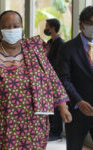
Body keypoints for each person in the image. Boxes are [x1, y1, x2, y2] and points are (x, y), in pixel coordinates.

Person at [0, 10, 72, 150]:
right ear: (0, 31)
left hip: (34, 126)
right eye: (7, 26)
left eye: (16, 26)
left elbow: (51, 78)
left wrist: (63, 108)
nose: (12, 29)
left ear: (22, 29)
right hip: (0, 126)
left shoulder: (34, 52)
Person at [57, 6, 93, 150]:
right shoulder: (68, 48)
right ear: (81, 24)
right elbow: (64, 79)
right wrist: (79, 101)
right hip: (77, 112)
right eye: (91, 23)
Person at [44, 18, 64, 141]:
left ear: (52, 28)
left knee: (57, 106)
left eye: (46, 26)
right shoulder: (50, 42)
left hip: (56, 79)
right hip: (48, 79)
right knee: (51, 106)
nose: (45, 28)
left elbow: (58, 63)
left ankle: (56, 133)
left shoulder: (60, 43)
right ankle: (51, 130)